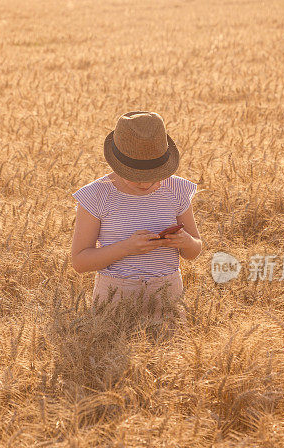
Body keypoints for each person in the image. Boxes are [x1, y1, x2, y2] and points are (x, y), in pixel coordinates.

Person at [70, 110, 202, 329]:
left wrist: (185, 242)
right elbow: (80, 262)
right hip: (114, 301)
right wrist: (127, 248)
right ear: (116, 164)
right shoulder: (95, 195)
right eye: (135, 176)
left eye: (155, 175)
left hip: (167, 297)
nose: (144, 183)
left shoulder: (177, 188)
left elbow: (195, 250)